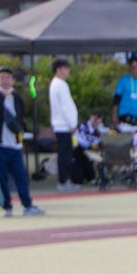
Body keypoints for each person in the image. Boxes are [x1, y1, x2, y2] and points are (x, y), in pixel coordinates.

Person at [0, 68, 43, 218]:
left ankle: (27, 205)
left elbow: (21, 118)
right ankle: (7, 206)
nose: (5, 80)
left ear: (13, 80)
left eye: (8, 77)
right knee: (2, 177)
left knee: (21, 176)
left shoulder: (17, 98)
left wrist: (21, 131)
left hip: (15, 145)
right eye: (2, 77)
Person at [47, 59, 79, 192]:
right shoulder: (60, 85)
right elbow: (66, 106)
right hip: (64, 125)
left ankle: (64, 180)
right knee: (65, 155)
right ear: (59, 70)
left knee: (64, 154)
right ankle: (63, 181)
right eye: (66, 68)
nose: (68, 71)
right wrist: (72, 123)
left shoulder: (56, 84)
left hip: (61, 124)